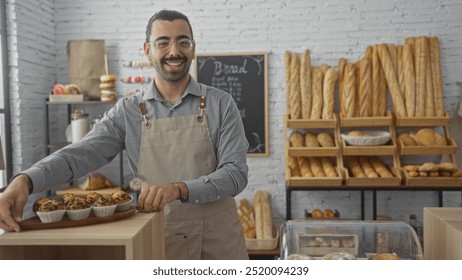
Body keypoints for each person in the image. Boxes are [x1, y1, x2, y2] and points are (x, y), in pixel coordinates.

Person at [0, 9, 249, 260]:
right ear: (147, 50)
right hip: (156, 239)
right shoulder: (128, 111)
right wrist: (25, 180)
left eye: (183, 41)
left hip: (219, 246)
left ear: (193, 48)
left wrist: (179, 188)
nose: (174, 51)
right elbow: (77, 156)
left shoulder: (221, 104)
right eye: (163, 42)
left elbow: (235, 174)